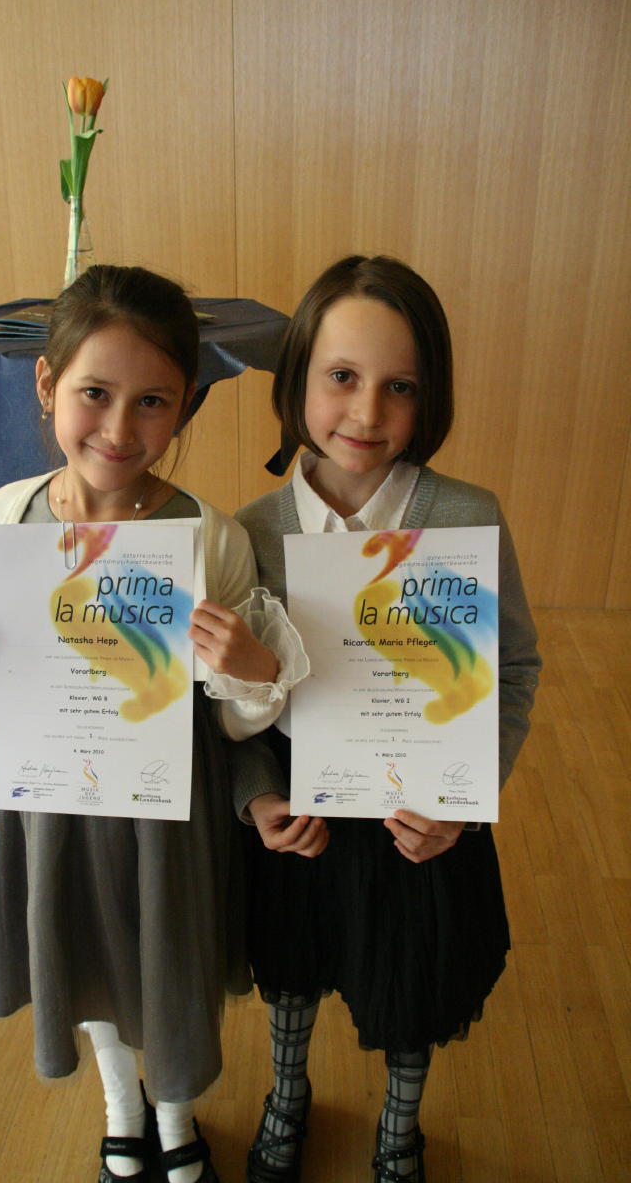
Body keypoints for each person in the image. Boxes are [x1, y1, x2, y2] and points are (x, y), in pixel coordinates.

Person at [0, 264, 308, 1183]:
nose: (118, 429)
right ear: (46, 385)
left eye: (152, 402)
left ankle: (176, 1113)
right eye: (94, 394)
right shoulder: (7, 515)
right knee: (84, 948)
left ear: (185, 406)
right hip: (53, 793)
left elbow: (236, 723)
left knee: (166, 956)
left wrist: (252, 670)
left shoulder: (212, 537)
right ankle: (122, 1107)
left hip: (169, 802)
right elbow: (12, 670)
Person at [234, 255, 542, 1183]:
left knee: (415, 982)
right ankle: (287, 1095)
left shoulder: (468, 517)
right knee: (292, 969)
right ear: (296, 381)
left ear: (428, 395)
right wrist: (256, 799)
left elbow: (513, 667)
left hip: (423, 822)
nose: (366, 412)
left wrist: (465, 802)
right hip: (301, 815)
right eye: (341, 376)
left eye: (399, 386)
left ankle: (399, 1129)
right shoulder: (249, 531)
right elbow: (226, 700)